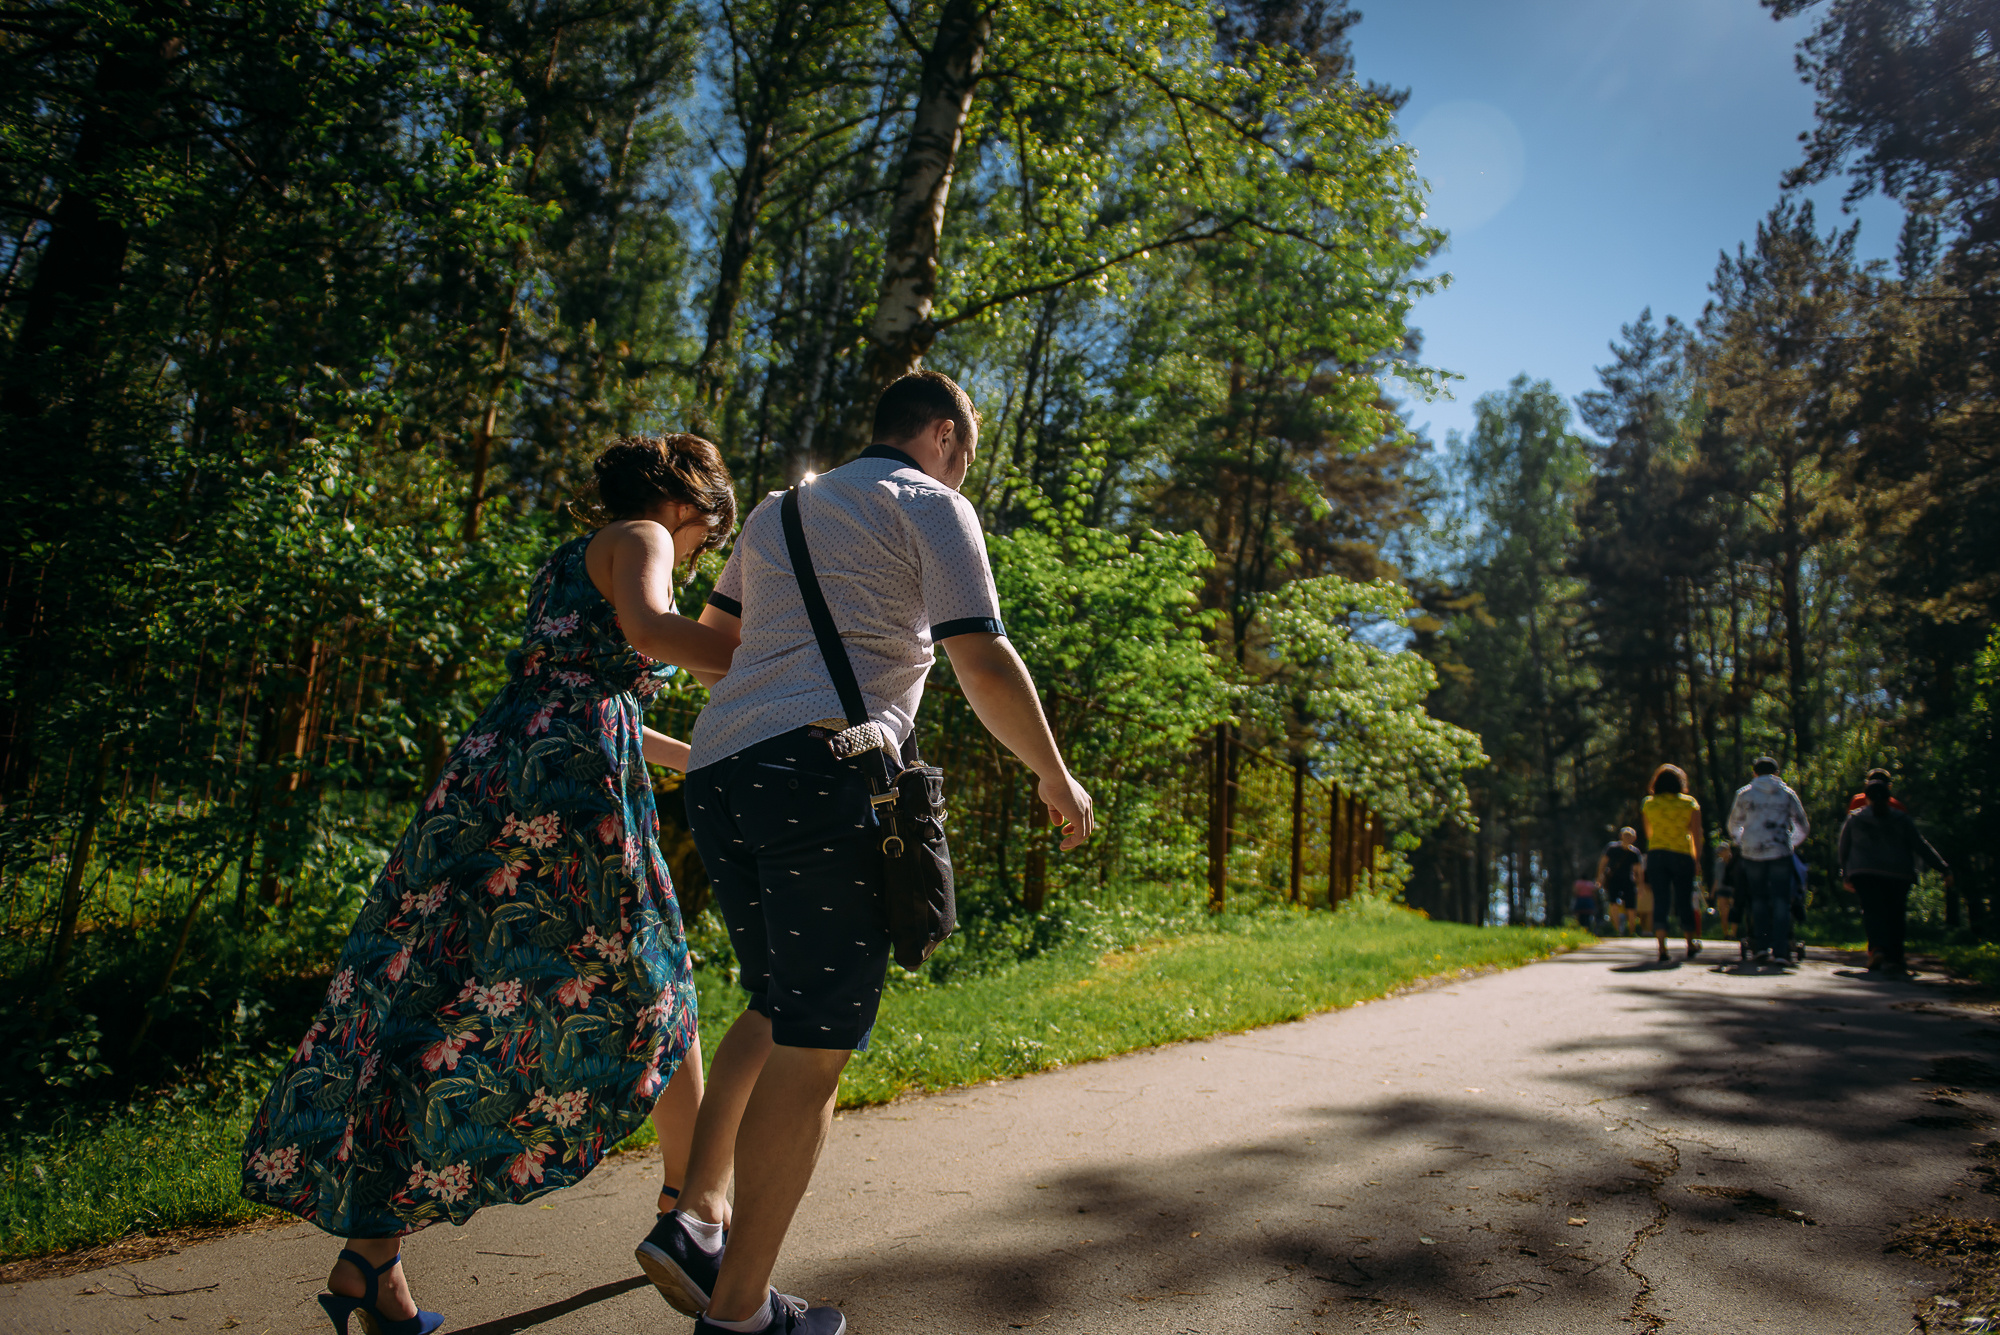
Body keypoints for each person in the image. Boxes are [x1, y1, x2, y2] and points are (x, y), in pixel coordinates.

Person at [239, 436, 743, 1335]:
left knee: (437, 994)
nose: (701, 552)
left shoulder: (569, 557)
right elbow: (653, 636)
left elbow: (590, 693)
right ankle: (691, 1219)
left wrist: (705, 754)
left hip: (504, 773)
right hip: (568, 796)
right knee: (658, 985)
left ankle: (370, 1259)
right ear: (690, 505)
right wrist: (781, 664)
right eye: (709, 537)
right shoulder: (646, 537)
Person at [646, 371, 1095, 1335]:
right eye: (965, 453)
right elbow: (979, 654)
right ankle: (740, 1312)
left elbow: (715, 647)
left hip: (722, 772)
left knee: (775, 1004)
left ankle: (696, 1216)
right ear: (941, 435)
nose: (963, 468)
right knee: (816, 1047)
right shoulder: (932, 505)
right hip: (821, 775)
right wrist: (1055, 777)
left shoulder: (779, 508)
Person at [1839, 768, 1951, 976]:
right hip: (1898, 873)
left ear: (1866, 796)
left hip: (1865, 872)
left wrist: (1846, 873)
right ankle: (1895, 958)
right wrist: (1943, 868)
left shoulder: (1855, 818)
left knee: (1872, 912)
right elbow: (1920, 845)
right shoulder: (1901, 818)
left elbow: (1843, 848)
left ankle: (1878, 948)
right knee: (1895, 914)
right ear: (1890, 794)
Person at [1726, 755, 1810, 969]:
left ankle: (1761, 946)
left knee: (1758, 899)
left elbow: (1734, 823)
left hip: (1752, 852)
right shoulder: (1786, 793)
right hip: (1780, 851)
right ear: (1777, 773)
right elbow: (1801, 824)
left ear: (1754, 773)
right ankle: (1781, 951)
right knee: (1782, 900)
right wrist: (1790, 843)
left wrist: (1741, 840)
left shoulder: (1745, 794)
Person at [1641, 764, 1703, 963]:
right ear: (1680, 783)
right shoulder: (1689, 803)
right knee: (1684, 899)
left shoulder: (1649, 804)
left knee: (1661, 899)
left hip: (1657, 854)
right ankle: (1690, 943)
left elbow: (1648, 833)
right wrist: (1697, 859)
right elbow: (1696, 833)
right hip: (1682, 854)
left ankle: (1661, 947)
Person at [1597, 827, 1642, 936]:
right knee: (1613, 903)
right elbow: (1603, 863)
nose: (1627, 838)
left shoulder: (1634, 853)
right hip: (1613, 879)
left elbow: (1638, 871)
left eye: (1630, 836)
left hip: (1628, 879)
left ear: (1634, 838)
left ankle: (1632, 931)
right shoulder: (1612, 848)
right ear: (1621, 836)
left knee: (1631, 906)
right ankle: (1617, 930)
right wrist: (1599, 877)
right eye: (1625, 835)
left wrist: (1640, 885)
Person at [1710, 840, 1744, 941]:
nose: (1720, 853)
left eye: (1722, 851)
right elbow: (1716, 879)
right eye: (1719, 851)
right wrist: (1712, 892)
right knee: (1723, 912)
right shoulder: (1718, 864)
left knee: (1733, 911)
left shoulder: (1735, 862)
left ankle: (1733, 933)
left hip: (1733, 889)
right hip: (1721, 889)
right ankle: (1726, 933)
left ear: (1728, 850)